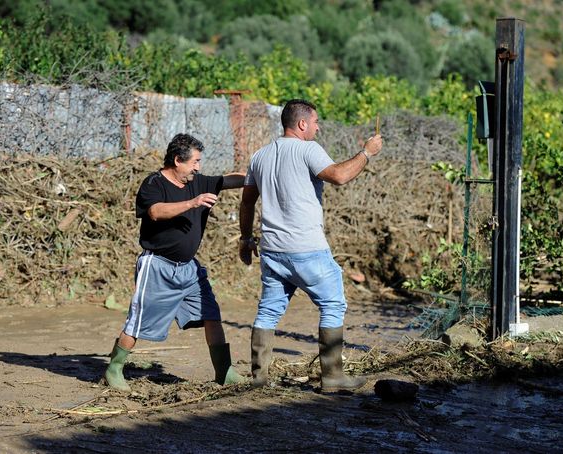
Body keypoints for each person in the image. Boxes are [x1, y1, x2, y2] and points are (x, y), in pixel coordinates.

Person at [238, 99, 383, 393]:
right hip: (306, 247)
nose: (318, 127)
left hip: (272, 249)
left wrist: (246, 238)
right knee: (332, 305)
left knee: (268, 310)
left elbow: (247, 201)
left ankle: (259, 377)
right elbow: (340, 176)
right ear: (302, 123)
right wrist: (367, 152)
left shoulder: (260, 156)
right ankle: (332, 377)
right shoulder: (308, 150)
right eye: (316, 122)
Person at [104, 133, 247, 392]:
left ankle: (224, 372)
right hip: (157, 266)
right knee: (137, 322)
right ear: (177, 160)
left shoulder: (198, 181)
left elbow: (229, 180)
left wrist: (258, 175)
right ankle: (114, 369)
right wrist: (192, 203)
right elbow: (156, 212)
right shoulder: (154, 183)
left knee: (211, 315)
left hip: (189, 269)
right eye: (194, 162)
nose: (198, 167)